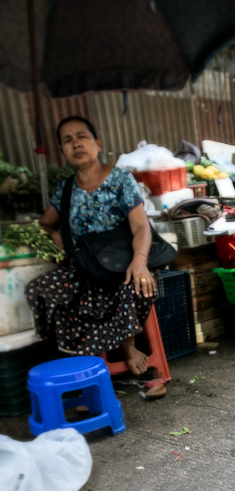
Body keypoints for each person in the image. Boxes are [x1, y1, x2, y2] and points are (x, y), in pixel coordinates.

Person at [25, 116, 164, 389]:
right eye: (67, 140)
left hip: (122, 265)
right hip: (86, 269)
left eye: (81, 137)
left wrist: (139, 261)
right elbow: (44, 223)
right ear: (62, 150)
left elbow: (141, 227)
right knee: (40, 288)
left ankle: (129, 347)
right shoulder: (65, 190)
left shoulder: (120, 180)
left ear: (97, 143)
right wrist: (56, 235)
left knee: (130, 283)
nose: (75, 144)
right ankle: (78, 360)